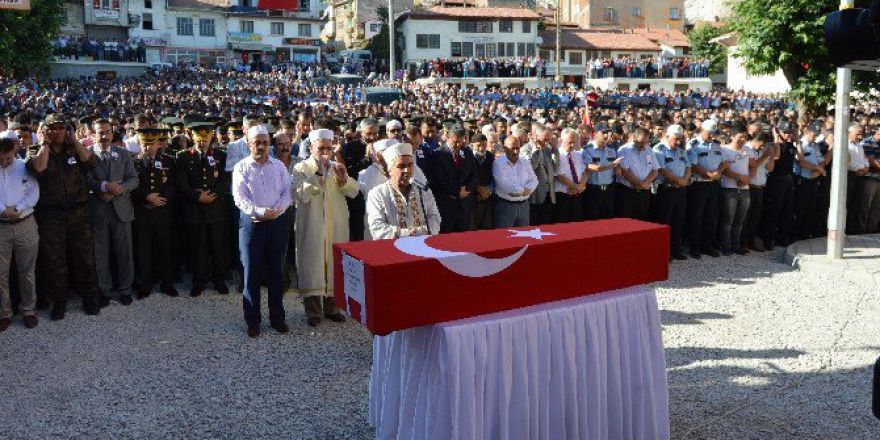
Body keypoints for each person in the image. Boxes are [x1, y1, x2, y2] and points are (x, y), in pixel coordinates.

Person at [27, 114, 102, 320]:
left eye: (61, 128)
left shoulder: (74, 149)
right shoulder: (37, 150)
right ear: (45, 130)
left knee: (85, 256)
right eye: (53, 128)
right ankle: (59, 302)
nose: (57, 131)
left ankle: (90, 297)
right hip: (51, 215)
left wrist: (75, 141)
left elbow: (92, 162)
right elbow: (39, 168)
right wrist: (44, 144)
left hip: (79, 212)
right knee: (54, 259)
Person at [292, 128, 358, 327]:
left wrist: (344, 178)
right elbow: (299, 194)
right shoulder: (301, 168)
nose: (324, 152)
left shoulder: (337, 167)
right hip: (312, 225)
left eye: (328, 148)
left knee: (334, 264)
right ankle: (313, 312)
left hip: (336, 225)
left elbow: (354, 191)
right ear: (311, 147)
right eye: (321, 148)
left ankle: (333, 308)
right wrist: (318, 174)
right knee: (312, 265)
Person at [233, 125, 292, 337]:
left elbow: (287, 192)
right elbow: (239, 197)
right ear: (249, 144)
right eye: (257, 142)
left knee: (277, 272)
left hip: (276, 223)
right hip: (252, 224)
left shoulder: (278, 166)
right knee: (251, 274)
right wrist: (259, 211)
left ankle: (277, 318)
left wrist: (277, 211)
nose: (261, 146)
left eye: (265, 142)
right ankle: (253, 320)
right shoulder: (241, 167)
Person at [87, 118, 139, 305]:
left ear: (112, 132)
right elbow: (85, 181)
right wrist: (103, 187)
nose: (104, 136)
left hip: (121, 210)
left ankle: (125, 289)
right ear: (93, 134)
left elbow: (134, 179)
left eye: (107, 132)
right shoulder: (86, 155)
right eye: (100, 132)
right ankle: (105, 291)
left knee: (125, 252)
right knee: (100, 254)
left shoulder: (123, 154)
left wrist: (119, 189)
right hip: (98, 211)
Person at [175, 122, 230, 297]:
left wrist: (212, 194)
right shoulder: (183, 156)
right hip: (195, 209)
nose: (202, 143)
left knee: (217, 248)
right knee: (198, 248)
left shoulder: (221, 155)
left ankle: (219, 280)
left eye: (205, 140)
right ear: (192, 137)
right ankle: (198, 282)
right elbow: (181, 183)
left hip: (215, 209)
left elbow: (224, 180)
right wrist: (197, 196)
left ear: (210, 137)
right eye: (199, 140)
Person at [131, 128, 179, 299]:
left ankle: (167, 283)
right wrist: (146, 198)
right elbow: (132, 185)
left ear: (158, 144)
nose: (147, 148)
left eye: (150, 144)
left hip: (162, 211)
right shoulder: (133, 162)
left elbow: (173, 184)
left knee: (165, 250)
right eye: (144, 144)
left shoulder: (168, 160)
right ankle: (144, 284)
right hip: (142, 212)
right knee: (143, 252)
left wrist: (161, 199)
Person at [0, 138, 39, 331]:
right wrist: (2, 210)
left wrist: (18, 208)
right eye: (1, 159)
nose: (4, 163)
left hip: (25, 223)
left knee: (27, 271)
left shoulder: (23, 166)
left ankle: (28, 310)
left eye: (7, 158)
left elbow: (34, 193)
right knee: (1, 273)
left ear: (13, 153)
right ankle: (4, 313)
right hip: (1, 226)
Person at [366, 143, 441, 239]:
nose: (407, 170)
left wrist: (422, 231)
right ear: (390, 170)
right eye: (401, 166)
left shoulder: (423, 191)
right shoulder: (377, 194)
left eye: (410, 165)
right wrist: (406, 233)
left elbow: (435, 218)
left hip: (422, 245)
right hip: (392, 249)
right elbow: (376, 227)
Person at [686, 120, 726, 258]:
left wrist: (718, 173)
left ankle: (707, 245)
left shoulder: (716, 145)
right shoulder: (693, 145)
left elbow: (724, 162)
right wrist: (709, 175)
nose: (711, 136)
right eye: (709, 133)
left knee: (710, 216)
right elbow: (693, 165)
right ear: (702, 129)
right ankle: (694, 247)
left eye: (713, 133)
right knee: (697, 216)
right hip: (699, 184)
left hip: (713, 184)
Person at [427, 124, 477, 233]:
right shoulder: (438, 154)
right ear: (448, 137)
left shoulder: (467, 152)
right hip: (447, 207)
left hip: (464, 206)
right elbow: (439, 179)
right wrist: (457, 192)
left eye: (461, 141)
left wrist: (467, 189)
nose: (459, 144)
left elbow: (473, 174)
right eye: (455, 142)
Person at [652, 125, 691, 260]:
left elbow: (688, 166)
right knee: (664, 220)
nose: (678, 142)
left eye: (680, 138)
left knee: (678, 220)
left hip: (680, 189)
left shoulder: (681, 150)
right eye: (676, 138)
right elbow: (661, 169)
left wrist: (684, 180)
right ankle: (662, 251)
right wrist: (677, 180)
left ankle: (675, 249)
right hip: (666, 189)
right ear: (667, 136)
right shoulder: (659, 149)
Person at [339, 118, 378, 242]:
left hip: (376, 195)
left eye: (375, 133)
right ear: (361, 133)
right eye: (369, 134)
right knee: (358, 232)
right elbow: (348, 172)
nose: (372, 137)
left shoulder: (382, 146)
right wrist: (366, 159)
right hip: (357, 197)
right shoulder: (350, 147)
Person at [718, 124, 752, 256]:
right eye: (740, 137)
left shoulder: (747, 150)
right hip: (729, 189)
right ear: (732, 136)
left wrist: (748, 178)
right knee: (728, 220)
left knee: (739, 220)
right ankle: (726, 246)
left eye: (744, 137)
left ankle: (736, 245)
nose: (742, 139)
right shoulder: (724, 149)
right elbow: (725, 169)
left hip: (744, 189)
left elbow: (753, 165)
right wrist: (739, 177)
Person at [792, 125, 830, 240]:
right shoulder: (799, 145)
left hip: (813, 181)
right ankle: (796, 235)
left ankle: (805, 234)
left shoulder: (815, 146)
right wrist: (818, 168)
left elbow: (822, 161)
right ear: (807, 132)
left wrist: (819, 171)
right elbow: (801, 163)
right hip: (802, 182)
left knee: (810, 209)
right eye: (814, 135)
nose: (815, 137)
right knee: (800, 209)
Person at [493, 135, 538, 228]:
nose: (516, 152)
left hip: (524, 206)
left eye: (518, 148)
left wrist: (527, 191)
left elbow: (534, 180)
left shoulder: (525, 162)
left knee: (523, 237)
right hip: (506, 206)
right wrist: (521, 191)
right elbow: (503, 183)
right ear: (505, 148)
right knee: (505, 237)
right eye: (513, 148)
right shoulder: (498, 163)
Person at [742, 132, 776, 252]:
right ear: (759, 140)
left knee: (755, 217)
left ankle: (751, 241)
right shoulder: (747, 148)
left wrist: (770, 156)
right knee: (746, 217)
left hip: (760, 187)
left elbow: (770, 168)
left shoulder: (763, 151)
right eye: (763, 144)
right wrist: (765, 155)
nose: (764, 147)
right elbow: (754, 165)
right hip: (749, 187)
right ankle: (743, 243)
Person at [616, 127, 659, 221]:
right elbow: (624, 171)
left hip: (644, 192)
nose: (643, 145)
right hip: (628, 192)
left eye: (646, 142)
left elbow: (655, 170)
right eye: (641, 142)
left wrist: (645, 183)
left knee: (641, 220)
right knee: (625, 221)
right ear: (634, 137)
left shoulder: (649, 150)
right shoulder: (624, 150)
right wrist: (640, 183)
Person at [583, 123, 621, 220]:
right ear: (595, 134)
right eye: (603, 132)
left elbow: (616, 166)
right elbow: (593, 167)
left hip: (609, 189)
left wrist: (617, 168)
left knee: (608, 218)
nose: (606, 135)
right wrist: (613, 165)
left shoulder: (611, 150)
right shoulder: (587, 150)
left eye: (608, 133)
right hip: (593, 190)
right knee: (593, 218)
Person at [520, 124, 556, 225]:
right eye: (545, 139)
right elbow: (530, 166)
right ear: (535, 136)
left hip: (549, 195)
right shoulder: (525, 149)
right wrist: (535, 149)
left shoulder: (548, 150)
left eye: (549, 140)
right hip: (534, 197)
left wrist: (555, 149)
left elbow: (555, 167)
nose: (547, 142)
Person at [553, 128, 587, 223]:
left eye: (574, 142)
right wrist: (577, 187)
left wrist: (580, 186)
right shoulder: (556, 155)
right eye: (569, 142)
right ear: (561, 140)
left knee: (577, 224)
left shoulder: (578, 154)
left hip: (578, 195)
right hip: (563, 196)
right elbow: (559, 176)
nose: (572, 145)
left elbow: (585, 172)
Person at [470, 133, 495, 230]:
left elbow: (494, 176)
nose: (481, 148)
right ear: (472, 144)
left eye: (484, 145)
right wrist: (478, 189)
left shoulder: (490, 156)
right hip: (472, 199)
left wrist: (488, 190)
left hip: (487, 199)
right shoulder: (467, 156)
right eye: (478, 145)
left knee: (487, 229)